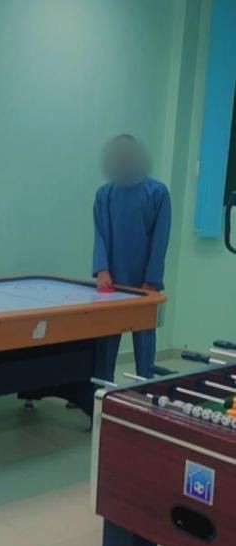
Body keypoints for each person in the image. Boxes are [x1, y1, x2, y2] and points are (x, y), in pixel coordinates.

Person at [93, 134, 171, 382]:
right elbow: (100, 234)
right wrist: (102, 270)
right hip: (112, 281)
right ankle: (101, 389)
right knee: (106, 340)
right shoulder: (104, 194)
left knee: (144, 340)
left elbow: (160, 240)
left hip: (144, 282)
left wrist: (152, 279)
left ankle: (147, 389)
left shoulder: (157, 192)